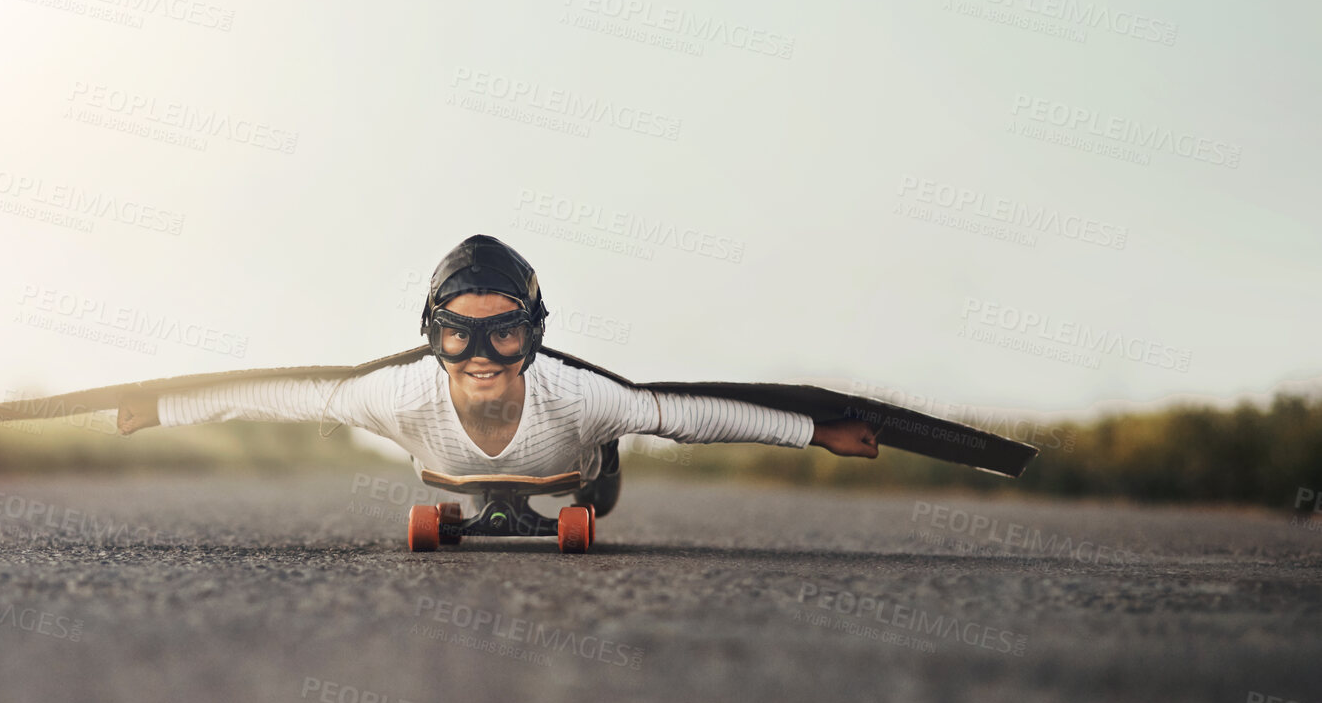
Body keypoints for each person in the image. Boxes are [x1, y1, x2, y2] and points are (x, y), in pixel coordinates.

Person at [115, 234, 880, 516]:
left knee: (619, 427)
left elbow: (688, 414)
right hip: (450, 470)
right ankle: (507, 484)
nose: (480, 352)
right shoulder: (392, 392)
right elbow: (280, 396)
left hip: (562, 466)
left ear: (533, 336)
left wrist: (815, 430)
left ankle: (600, 463)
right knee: (474, 471)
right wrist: (163, 407)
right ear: (432, 334)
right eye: (458, 333)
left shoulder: (580, 394)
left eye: (503, 331)